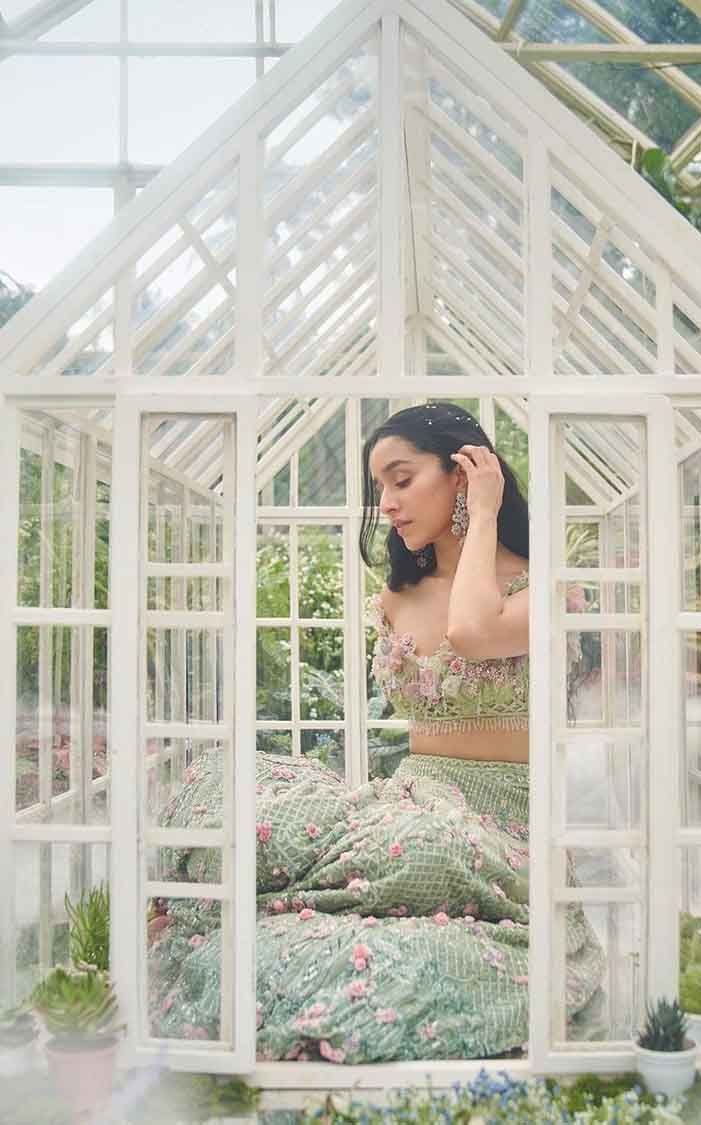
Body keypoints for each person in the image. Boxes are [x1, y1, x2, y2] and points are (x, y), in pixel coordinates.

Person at [147, 402, 604, 1062]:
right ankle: (220, 906)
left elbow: (472, 630)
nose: (386, 503)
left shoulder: (544, 588)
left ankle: (273, 908)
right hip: (412, 799)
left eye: (402, 479)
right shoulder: (397, 594)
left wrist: (483, 514)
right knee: (244, 789)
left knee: (427, 851)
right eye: (379, 486)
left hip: (505, 819)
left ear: (463, 473)